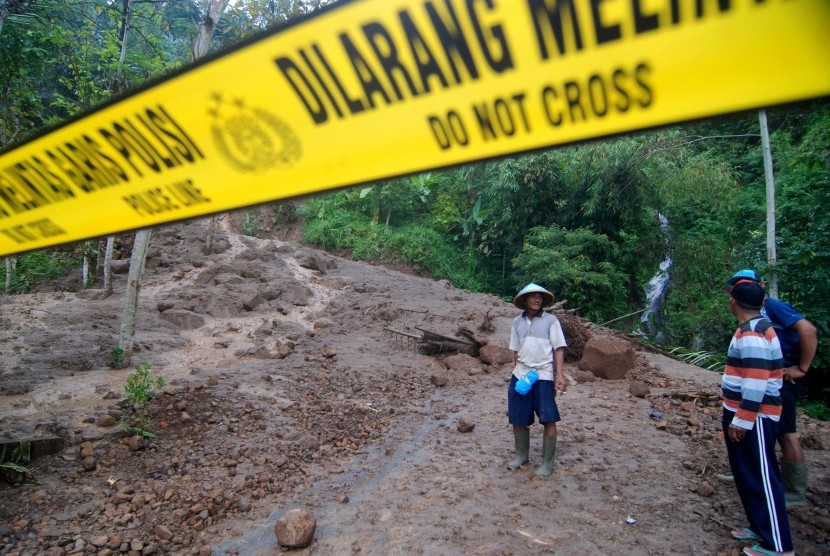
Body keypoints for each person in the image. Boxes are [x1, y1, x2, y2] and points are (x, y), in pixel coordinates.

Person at [728, 269, 818, 508]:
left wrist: (802, 368)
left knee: (786, 433)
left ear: (760, 286)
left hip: (780, 378)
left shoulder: (773, 307)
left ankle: (794, 492)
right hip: (763, 376)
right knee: (759, 429)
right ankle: (753, 473)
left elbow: (808, 330)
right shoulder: (754, 317)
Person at [721, 278, 794, 556]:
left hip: (755, 416)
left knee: (762, 475)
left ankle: (778, 544)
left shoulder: (752, 334)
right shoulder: (756, 327)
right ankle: (759, 526)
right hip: (745, 412)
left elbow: (756, 380)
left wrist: (742, 419)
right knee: (748, 471)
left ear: (733, 301)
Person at [506, 283, 567, 477]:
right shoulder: (517, 322)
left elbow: (559, 348)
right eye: (532, 296)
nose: (536, 299)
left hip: (544, 375)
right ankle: (522, 456)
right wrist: (516, 372)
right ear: (524, 300)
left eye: (539, 296)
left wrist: (560, 375)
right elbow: (515, 351)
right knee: (517, 416)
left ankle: (547, 463)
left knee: (548, 417)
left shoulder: (551, 320)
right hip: (521, 375)